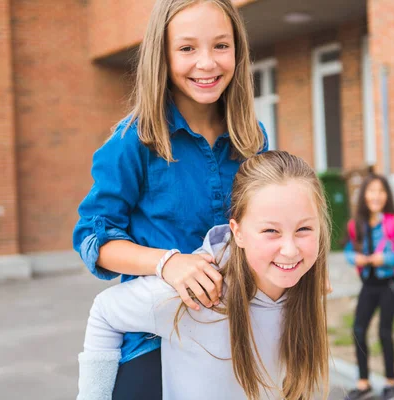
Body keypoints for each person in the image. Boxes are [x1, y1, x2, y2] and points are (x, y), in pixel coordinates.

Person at [72, 0, 267, 398]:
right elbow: (94, 240)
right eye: (187, 48)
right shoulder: (133, 141)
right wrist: (168, 264)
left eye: (221, 46)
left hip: (236, 338)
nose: (207, 63)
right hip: (154, 341)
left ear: (238, 51)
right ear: (162, 55)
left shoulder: (254, 138)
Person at [77, 151, 331, 400]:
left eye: (304, 229)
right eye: (271, 231)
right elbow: (105, 311)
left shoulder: (304, 288)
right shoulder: (198, 295)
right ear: (237, 232)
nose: (289, 250)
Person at [343, 174, 394, 400]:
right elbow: (347, 249)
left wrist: (386, 259)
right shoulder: (357, 224)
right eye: (371, 191)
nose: (376, 196)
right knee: (358, 330)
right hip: (369, 285)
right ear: (364, 195)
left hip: (389, 285)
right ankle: (363, 382)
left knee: (384, 332)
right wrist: (355, 258)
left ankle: (391, 380)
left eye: (381, 191)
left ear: (387, 196)